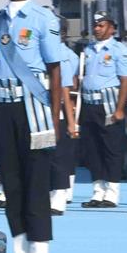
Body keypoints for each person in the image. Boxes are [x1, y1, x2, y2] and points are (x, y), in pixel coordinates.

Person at [0, 0, 70, 253]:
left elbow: (55, 69)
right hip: (2, 107)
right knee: (12, 185)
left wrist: (53, 117)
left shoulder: (42, 19)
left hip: (33, 109)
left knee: (36, 186)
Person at [78, 12, 127, 208]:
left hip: (108, 103)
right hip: (89, 103)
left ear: (112, 27)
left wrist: (120, 109)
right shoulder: (89, 49)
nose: (97, 28)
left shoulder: (119, 49)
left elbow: (126, 80)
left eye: (101, 25)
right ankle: (98, 190)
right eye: (96, 25)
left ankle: (112, 191)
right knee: (93, 149)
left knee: (111, 148)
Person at [49, 39, 80, 215]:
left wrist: (71, 122)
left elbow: (65, 92)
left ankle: (59, 198)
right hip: (37, 113)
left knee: (58, 158)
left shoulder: (60, 56)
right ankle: (48, 194)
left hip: (57, 113)